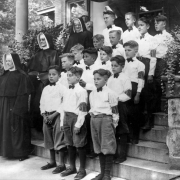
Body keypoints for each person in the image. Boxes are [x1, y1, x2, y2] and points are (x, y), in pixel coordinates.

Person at [0, 53, 34, 161]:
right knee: (5, 128)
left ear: (15, 61)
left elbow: (23, 95)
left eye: (10, 60)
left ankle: (21, 153)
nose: (8, 62)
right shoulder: (3, 75)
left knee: (17, 129)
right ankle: (7, 152)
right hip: (4, 105)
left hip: (16, 106)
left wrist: (16, 108)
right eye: (7, 61)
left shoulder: (22, 75)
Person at [28, 32, 61, 132]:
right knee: (37, 105)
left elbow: (56, 70)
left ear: (48, 40)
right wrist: (36, 75)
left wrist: (44, 76)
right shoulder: (37, 54)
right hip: (38, 84)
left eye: (43, 39)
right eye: (40, 40)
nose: (42, 42)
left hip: (48, 83)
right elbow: (31, 70)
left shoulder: (54, 53)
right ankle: (39, 129)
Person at [89, 69, 119, 180]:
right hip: (94, 119)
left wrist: (114, 124)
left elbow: (115, 111)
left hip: (106, 120)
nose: (96, 81)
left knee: (107, 145)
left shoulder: (111, 93)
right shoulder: (92, 93)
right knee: (98, 146)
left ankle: (107, 174)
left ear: (105, 80)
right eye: (94, 79)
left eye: (99, 79)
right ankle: (101, 173)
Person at [60, 67, 88, 180]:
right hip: (66, 117)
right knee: (69, 143)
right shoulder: (66, 90)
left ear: (78, 77)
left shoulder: (81, 91)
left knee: (79, 144)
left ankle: (82, 169)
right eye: (67, 75)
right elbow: (63, 107)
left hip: (76, 118)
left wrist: (78, 124)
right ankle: (72, 167)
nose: (68, 77)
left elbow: (83, 109)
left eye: (70, 75)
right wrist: (62, 122)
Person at [40, 65, 67, 174]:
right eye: (50, 74)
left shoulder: (62, 88)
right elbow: (41, 103)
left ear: (59, 76)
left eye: (54, 74)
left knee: (58, 139)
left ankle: (61, 164)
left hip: (57, 116)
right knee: (48, 138)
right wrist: (44, 115)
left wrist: (53, 115)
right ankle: (52, 161)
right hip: (46, 116)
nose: (51, 76)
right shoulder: (45, 88)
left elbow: (63, 103)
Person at [107, 55, 131, 163]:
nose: (113, 68)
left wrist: (117, 99)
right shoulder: (110, 78)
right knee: (113, 130)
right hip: (111, 106)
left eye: (115, 66)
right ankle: (114, 154)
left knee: (122, 129)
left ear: (122, 66)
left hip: (121, 105)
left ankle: (122, 155)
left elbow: (128, 95)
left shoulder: (125, 78)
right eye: (112, 66)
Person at [137, 17, 157, 130]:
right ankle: (140, 121)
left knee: (147, 93)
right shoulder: (137, 39)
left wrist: (150, 73)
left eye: (142, 25)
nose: (139, 27)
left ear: (148, 26)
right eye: (138, 25)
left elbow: (153, 58)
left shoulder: (152, 39)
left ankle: (149, 121)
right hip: (138, 65)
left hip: (147, 64)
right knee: (139, 91)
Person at [123, 40, 145, 144]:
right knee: (125, 113)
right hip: (124, 88)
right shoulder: (122, 63)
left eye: (129, 50)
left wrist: (138, 94)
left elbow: (141, 79)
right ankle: (126, 136)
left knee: (134, 114)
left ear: (135, 51)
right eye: (125, 50)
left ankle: (135, 137)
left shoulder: (140, 64)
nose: (127, 52)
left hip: (134, 88)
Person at [79, 48, 99, 158]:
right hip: (84, 98)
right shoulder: (82, 68)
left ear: (94, 58)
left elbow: (98, 85)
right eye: (84, 56)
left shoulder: (98, 69)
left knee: (92, 124)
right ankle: (85, 148)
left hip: (93, 98)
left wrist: (86, 85)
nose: (84, 59)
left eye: (87, 56)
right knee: (84, 123)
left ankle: (94, 150)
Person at [154, 14, 173, 111]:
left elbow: (170, 52)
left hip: (164, 62)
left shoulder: (168, 36)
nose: (156, 25)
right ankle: (157, 108)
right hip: (154, 61)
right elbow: (152, 50)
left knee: (162, 82)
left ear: (164, 24)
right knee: (155, 85)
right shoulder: (155, 37)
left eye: (158, 23)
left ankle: (165, 108)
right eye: (155, 23)